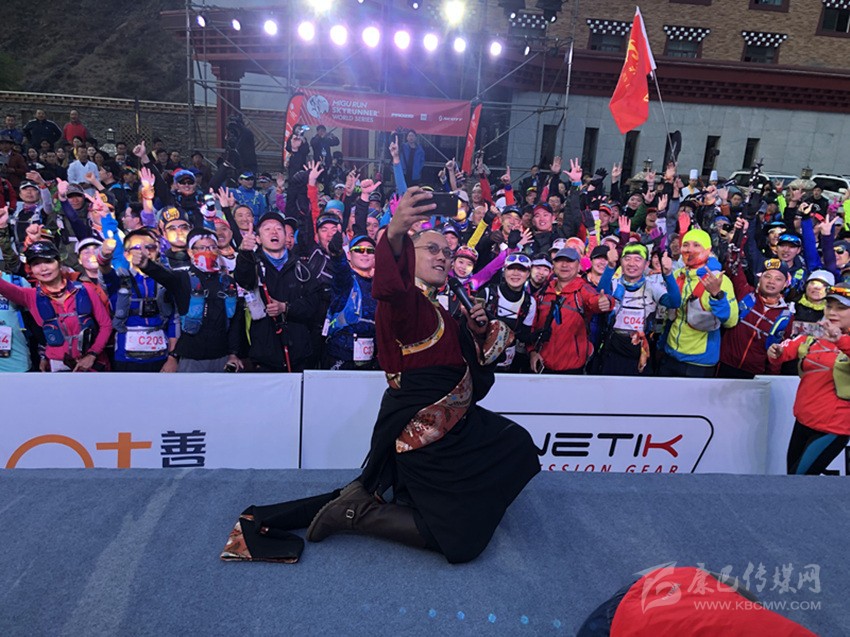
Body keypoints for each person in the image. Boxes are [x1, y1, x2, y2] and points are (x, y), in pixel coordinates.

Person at [224, 187, 539, 565]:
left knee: (515, 446)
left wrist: (473, 334)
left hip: (456, 428)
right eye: (431, 249)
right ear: (408, 256)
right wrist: (394, 233)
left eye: (446, 251)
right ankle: (360, 515)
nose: (443, 256)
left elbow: (475, 385)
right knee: (463, 539)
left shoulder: (441, 312)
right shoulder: (403, 303)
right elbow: (389, 285)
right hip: (425, 439)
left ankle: (360, 504)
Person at [769, 282, 850, 475]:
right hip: (803, 420)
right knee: (794, 480)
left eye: (841, 308)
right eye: (829, 306)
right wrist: (776, 352)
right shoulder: (816, 332)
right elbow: (786, 349)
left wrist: (839, 340)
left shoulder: (839, 339)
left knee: (798, 482)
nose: (832, 312)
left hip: (833, 427)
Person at [136, 228, 242, 372]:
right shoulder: (183, 279)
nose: (208, 251)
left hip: (222, 355)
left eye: (212, 247)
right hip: (191, 356)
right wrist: (146, 265)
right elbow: (164, 275)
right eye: (202, 248)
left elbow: (235, 320)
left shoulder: (227, 282)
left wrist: (233, 353)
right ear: (191, 252)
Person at [0, 241, 112, 372]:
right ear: (31, 269)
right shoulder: (30, 296)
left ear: (59, 262)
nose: (43, 268)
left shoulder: (85, 290)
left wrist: (92, 354)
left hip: (92, 364)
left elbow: (106, 325)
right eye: (36, 264)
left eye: (48, 261)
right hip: (57, 367)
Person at [233, 212, 318, 372]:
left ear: (285, 236)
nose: (274, 232)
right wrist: (244, 253)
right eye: (267, 229)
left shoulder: (302, 268)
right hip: (265, 355)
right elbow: (244, 280)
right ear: (258, 239)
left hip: (299, 354)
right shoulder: (253, 264)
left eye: (279, 229)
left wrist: (285, 308)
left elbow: (313, 305)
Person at [661, 229, 738, 377]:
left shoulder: (719, 280)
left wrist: (717, 295)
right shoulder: (676, 275)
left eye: (696, 245)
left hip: (699, 362)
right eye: (686, 245)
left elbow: (731, 321)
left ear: (708, 250)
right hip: (670, 354)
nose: (689, 250)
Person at [596, 243, 681, 376]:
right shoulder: (614, 283)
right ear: (621, 262)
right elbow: (599, 295)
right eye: (627, 258)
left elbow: (674, 302)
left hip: (641, 349)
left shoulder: (652, 286)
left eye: (637, 259)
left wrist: (668, 274)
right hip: (614, 347)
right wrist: (610, 266)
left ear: (646, 264)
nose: (631, 264)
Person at [529, 247, 611, 374]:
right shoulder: (542, 293)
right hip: (542, 365)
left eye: (570, 261)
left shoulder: (583, 290)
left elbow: (595, 301)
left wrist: (607, 302)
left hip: (573, 368)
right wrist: (532, 352)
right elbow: (531, 327)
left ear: (579, 267)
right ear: (553, 265)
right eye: (560, 261)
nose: (564, 265)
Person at [323, 233, 377, 370]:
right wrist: (337, 254)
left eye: (370, 250)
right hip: (342, 356)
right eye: (359, 250)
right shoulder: (346, 281)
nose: (365, 253)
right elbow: (340, 270)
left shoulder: (381, 284)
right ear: (349, 255)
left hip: (372, 358)